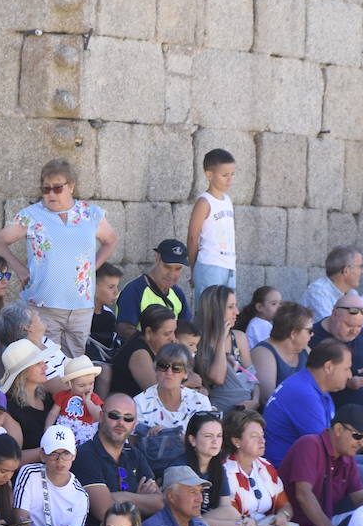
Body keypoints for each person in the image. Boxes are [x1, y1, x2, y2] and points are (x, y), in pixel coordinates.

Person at [0, 158, 119, 357]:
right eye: (46, 189)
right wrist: (20, 269)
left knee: (74, 366)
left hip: (80, 306)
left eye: (57, 188)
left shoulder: (90, 214)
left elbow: (111, 240)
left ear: (71, 187)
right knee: (44, 363)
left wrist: (92, 267)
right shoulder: (31, 215)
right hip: (44, 304)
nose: (51, 194)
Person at [223, 409, 318, 526]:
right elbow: (234, 520)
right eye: (254, 436)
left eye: (262, 435)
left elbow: (286, 506)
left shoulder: (265, 466)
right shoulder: (225, 471)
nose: (262, 440)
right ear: (236, 441)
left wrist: (282, 517)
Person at [73, 395, 162, 526]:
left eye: (128, 418)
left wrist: (122, 497)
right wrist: (140, 499)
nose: (121, 422)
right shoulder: (85, 455)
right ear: (101, 416)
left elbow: (158, 503)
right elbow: (105, 512)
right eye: (114, 415)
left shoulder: (135, 454)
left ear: (134, 424)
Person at [263, 340, 353, 466]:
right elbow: (326, 448)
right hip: (286, 473)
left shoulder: (314, 386)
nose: (350, 375)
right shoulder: (304, 394)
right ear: (328, 367)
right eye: (346, 369)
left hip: (306, 466)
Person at [193, 286, 259, 411]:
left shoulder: (239, 337)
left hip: (246, 410)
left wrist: (255, 400)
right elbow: (218, 378)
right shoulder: (197, 341)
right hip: (217, 411)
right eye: (230, 307)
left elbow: (253, 377)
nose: (237, 312)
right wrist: (221, 341)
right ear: (215, 311)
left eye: (235, 306)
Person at [188, 148, 238, 301]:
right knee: (208, 313)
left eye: (232, 175)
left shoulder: (227, 200)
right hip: (210, 264)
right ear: (209, 175)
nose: (230, 180)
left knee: (226, 313)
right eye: (224, 175)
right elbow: (192, 237)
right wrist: (194, 269)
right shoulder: (204, 202)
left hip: (229, 265)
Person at [109, 305, 178, 400]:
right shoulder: (139, 354)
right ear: (149, 332)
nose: (173, 339)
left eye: (174, 332)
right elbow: (158, 393)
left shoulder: (156, 349)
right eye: (167, 334)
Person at [299, 245, 363, 321]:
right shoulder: (318, 292)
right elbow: (332, 328)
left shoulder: (352, 293)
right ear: (346, 270)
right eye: (360, 267)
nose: (362, 272)